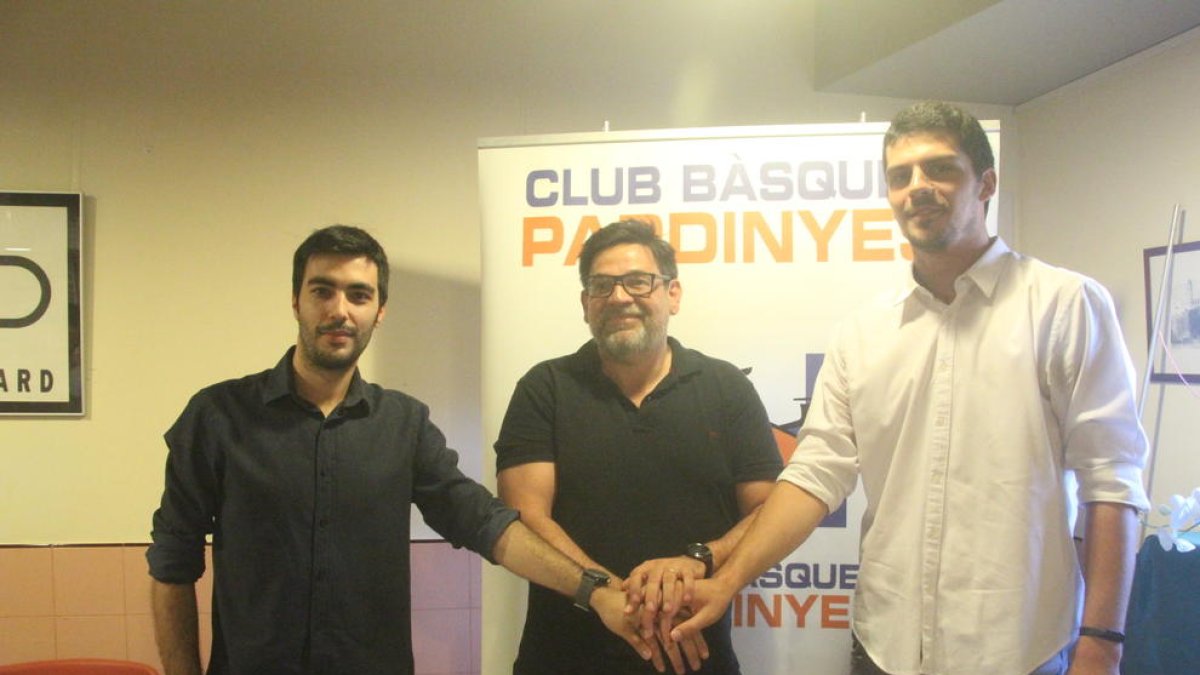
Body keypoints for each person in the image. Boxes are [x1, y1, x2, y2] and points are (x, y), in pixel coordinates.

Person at [670, 101, 1150, 675]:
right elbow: (815, 474)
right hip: (886, 647)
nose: (917, 187)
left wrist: (1101, 644)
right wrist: (726, 581)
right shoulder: (863, 331)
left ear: (986, 183)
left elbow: (1112, 482)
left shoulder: (1065, 306)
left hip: (1018, 650)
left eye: (940, 168)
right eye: (901, 176)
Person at [147, 225, 659, 675]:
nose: (339, 310)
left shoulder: (404, 424)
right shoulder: (218, 417)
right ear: (296, 300)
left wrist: (595, 591)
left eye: (358, 294)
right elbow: (173, 565)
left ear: (379, 310)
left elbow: (485, 523)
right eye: (322, 291)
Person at [494, 219, 784, 674]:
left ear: (673, 294)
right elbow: (525, 518)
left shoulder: (725, 388)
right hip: (563, 660)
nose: (619, 297)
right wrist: (607, 594)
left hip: (694, 657)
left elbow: (770, 511)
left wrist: (699, 561)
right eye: (602, 285)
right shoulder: (544, 388)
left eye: (638, 282)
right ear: (585, 303)